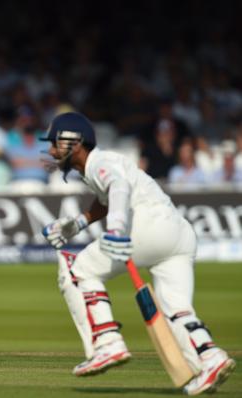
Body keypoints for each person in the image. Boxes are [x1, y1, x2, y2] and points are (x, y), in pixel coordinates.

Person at [40, 112, 236, 395]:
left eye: (55, 143)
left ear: (75, 142)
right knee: (177, 308)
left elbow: (118, 187)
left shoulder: (101, 162)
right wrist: (77, 224)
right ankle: (210, 358)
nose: (50, 150)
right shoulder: (100, 166)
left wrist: (117, 228)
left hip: (147, 228)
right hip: (178, 234)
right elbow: (106, 199)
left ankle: (107, 343)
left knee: (78, 269)